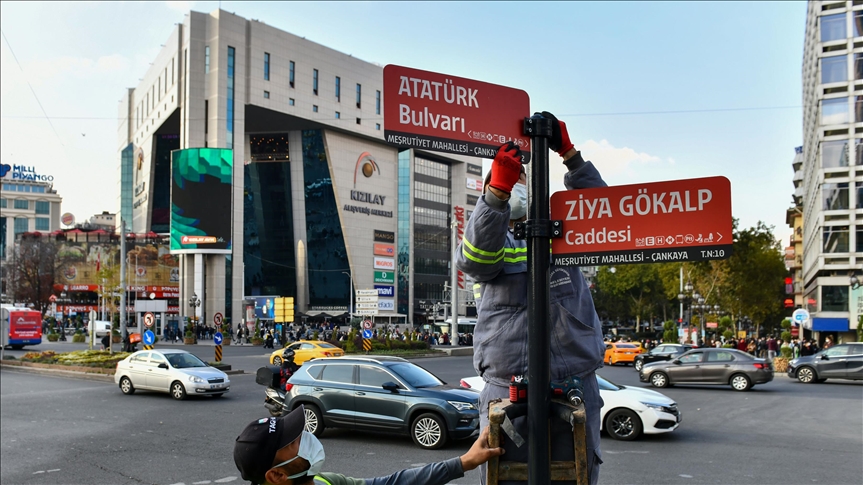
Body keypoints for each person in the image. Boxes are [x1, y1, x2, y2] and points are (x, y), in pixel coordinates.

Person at [456, 112, 606, 485]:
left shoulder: (561, 229)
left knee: (579, 476)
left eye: (519, 176)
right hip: (506, 388)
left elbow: (606, 216)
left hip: (574, 382)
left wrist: (570, 154)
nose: (515, 183)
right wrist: (496, 196)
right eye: (508, 179)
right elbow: (474, 260)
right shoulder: (489, 235)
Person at [234, 405, 503, 485]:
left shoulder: (325, 482)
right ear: (277, 474)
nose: (306, 440)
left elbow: (392, 483)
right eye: (294, 442)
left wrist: (465, 462)